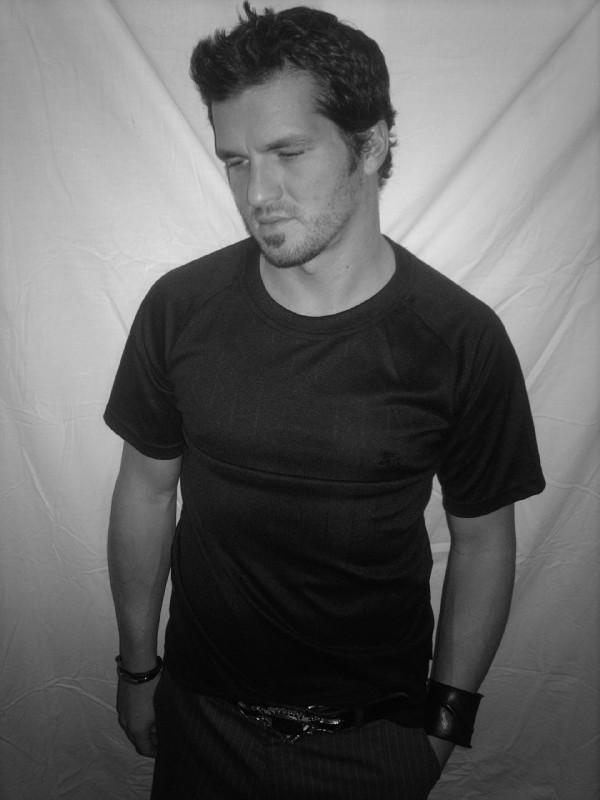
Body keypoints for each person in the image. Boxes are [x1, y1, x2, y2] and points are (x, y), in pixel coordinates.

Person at [105, 4, 545, 798]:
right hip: (199, 721)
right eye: (236, 161)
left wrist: (441, 732)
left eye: (287, 152)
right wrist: (138, 670)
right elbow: (145, 489)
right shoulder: (180, 309)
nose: (257, 192)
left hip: (373, 741)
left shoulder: (458, 339)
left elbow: (483, 542)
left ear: (369, 146)